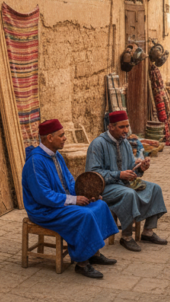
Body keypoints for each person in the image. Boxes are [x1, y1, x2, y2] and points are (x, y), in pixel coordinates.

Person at [23, 119, 119, 279]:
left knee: (100, 205)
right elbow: (42, 195)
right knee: (84, 215)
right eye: (61, 135)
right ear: (49, 138)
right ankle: (82, 263)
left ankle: (93, 252)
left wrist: (87, 194)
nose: (65, 138)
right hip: (43, 210)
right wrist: (73, 200)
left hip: (59, 203)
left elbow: (70, 182)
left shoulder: (57, 156)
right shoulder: (35, 162)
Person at [85, 111, 168, 252]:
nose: (126, 130)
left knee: (155, 188)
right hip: (105, 187)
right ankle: (126, 237)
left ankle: (148, 232)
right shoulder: (97, 144)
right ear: (111, 127)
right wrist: (119, 175)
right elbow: (93, 174)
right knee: (129, 194)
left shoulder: (125, 143)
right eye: (122, 127)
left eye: (127, 126)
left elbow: (131, 168)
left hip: (124, 184)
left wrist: (140, 167)